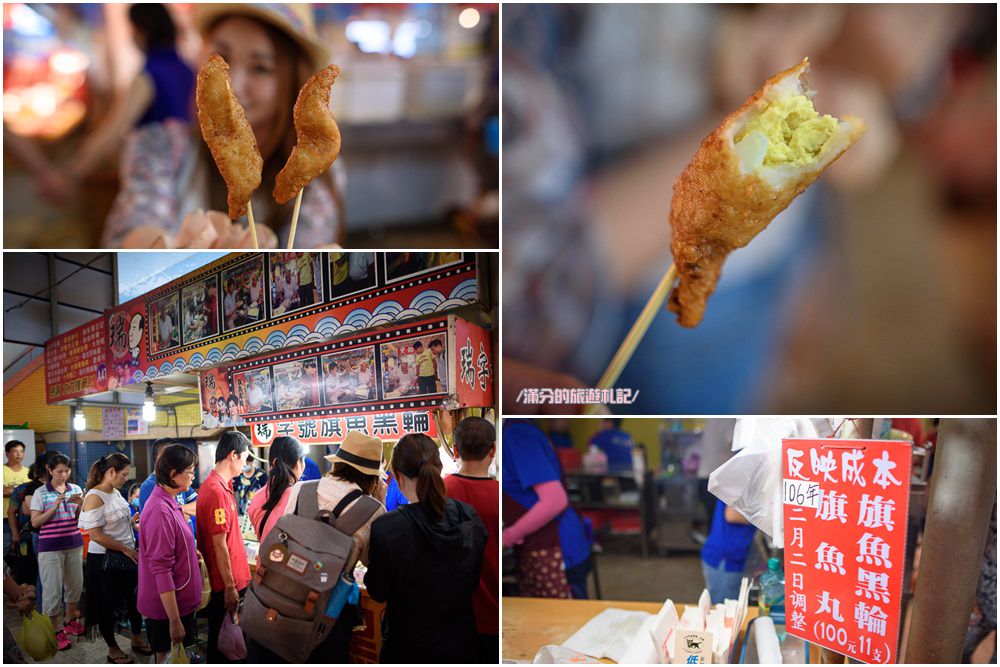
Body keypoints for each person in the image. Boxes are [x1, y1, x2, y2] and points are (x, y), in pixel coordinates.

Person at [104, 4, 344, 248]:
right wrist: (166, 248)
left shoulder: (316, 175)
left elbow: (312, 246)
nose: (235, 85)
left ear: (292, 79)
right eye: (221, 58)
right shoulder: (161, 144)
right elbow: (133, 225)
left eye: (261, 68)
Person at [247, 431, 386, 662]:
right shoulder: (372, 510)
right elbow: (373, 565)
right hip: (325, 620)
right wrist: (378, 504)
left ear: (339, 463)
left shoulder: (303, 489)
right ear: (372, 477)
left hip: (279, 599)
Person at [366, 433, 487, 663]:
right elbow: (472, 579)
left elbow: (378, 591)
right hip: (461, 645)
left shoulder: (388, 528)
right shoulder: (467, 515)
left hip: (407, 647)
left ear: (398, 475)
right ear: (439, 467)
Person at [60, 4, 194, 196]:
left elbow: (113, 130)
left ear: (142, 32)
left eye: (132, 29)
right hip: (184, 181)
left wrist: (72, 173)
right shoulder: (187, 69)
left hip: (152, 186)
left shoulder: (148, 76)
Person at [502, 420, 591, 599]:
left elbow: (554, 500)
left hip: (557, 549)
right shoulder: (520, 430)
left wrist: (508, 536)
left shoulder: (518, 435)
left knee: (565, 621)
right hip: (548, 544)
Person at [78, 454, 151, 663]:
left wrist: (132, 521)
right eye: (124, 474)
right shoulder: (94, 496)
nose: (125, 478)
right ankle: (113, 648)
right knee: (106, 605)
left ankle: (136, 637)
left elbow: (118, 523)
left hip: (125, 554)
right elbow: (96, 535)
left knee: (134, 599)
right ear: (111, 472)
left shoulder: (116, 493)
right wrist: (125, 550)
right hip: (104, 560)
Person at [137, 445, 202, 664]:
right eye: (190, 471)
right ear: (173, 473)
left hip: (179, 601)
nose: (193, 476)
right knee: (167, 658)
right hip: (167, 610)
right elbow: (161, 569)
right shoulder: (159, 510)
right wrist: (174, 621)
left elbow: (174, 545)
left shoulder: (170, 501)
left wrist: (190, 554)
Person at [444, 417, 499, 664]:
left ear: (455, 450)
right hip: (497, 615)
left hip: (453, 616)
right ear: (493, 450)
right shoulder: (501, 494)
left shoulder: (440, 492)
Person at [196, 430, 251, 664]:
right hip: (225, 585)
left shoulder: (222, 486)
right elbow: (219, 545)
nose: (246, 465)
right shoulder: (216, 490)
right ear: (233, 455)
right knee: (223, 644)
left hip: (234, 581)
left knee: (226, 641)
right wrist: (230, 586)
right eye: (246, 458)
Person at [29, 453, 86, 650]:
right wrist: (54, 506)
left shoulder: (76, 489)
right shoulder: (40, 492)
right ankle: (53, 631)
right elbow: (35, 522)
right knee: (52, 590)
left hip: (74, 544)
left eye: (67, 471)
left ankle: (69, 622)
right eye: (59, 471)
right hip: (50, 548)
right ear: (49, 470)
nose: (63, 475)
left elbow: (79, 520)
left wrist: (80, 507)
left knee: (75, 585)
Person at [247, 436, 305, 543]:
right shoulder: (301, 497)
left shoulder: (257, 496)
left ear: (272, 463)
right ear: (298, 463)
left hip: (264, 558)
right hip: (290, 559)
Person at [138, 439, 197, 537]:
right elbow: (158, 523)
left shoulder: (179, 483)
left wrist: (176, 510)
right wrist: (182, 512)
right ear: (158, 459)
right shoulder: (150, 486)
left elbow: (200, 506)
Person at [700, 501, 755, 604]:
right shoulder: (743, 484)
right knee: (724, 610)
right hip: (724, 559)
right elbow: (731, 515)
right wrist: (765, 518)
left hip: (726, 555)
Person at [4, 440, 29, 558]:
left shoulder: (28, 472)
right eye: (15, 451)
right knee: (6, 546)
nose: (19, 454)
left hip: (24, 518)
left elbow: (32, 491)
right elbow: (3, 491)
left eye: (21, 451)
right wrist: (21, 490)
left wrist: (12, 489)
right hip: (5, 517)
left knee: (22, 550)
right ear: (7, 453)